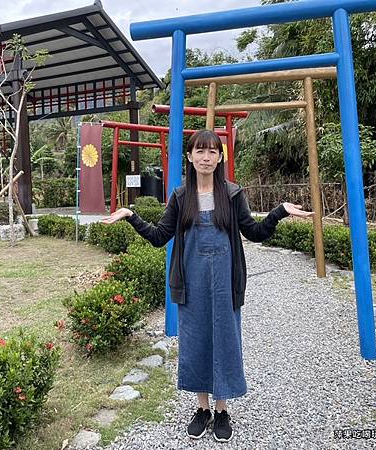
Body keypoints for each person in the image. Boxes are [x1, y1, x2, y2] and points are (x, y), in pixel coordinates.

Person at [102, 130, 313, 443]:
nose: (205, 157)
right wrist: (131, 215)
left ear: (220, 157)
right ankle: (202, 409)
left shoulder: (231, 193)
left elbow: (254, 232)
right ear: (189, 157)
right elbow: (161, 236)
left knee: (225, 342)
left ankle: (222, 409)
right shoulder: (180, 196)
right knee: (196, 342)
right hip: (192, 284)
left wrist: (279, 212)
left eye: (212, 152)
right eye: (199, 151)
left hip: (225, 285)